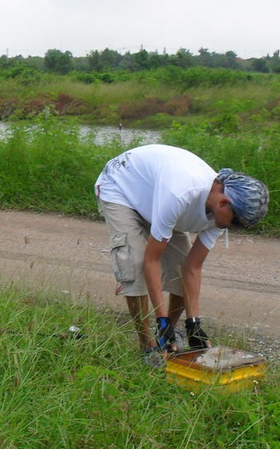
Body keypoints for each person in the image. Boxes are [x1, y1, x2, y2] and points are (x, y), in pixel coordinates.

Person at [95, 144, 269, 365]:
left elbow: (192, 267)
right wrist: (161, 320)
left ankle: (166, 339)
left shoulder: (219, 213)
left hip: (155, 196)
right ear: (224, 203)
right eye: (236, 223)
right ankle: (147, 345)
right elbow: (151, 260)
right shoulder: (181, 194)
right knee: (135, 266)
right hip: (121, 188)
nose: (235, 229)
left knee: (178, 270)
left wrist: (194, 323)